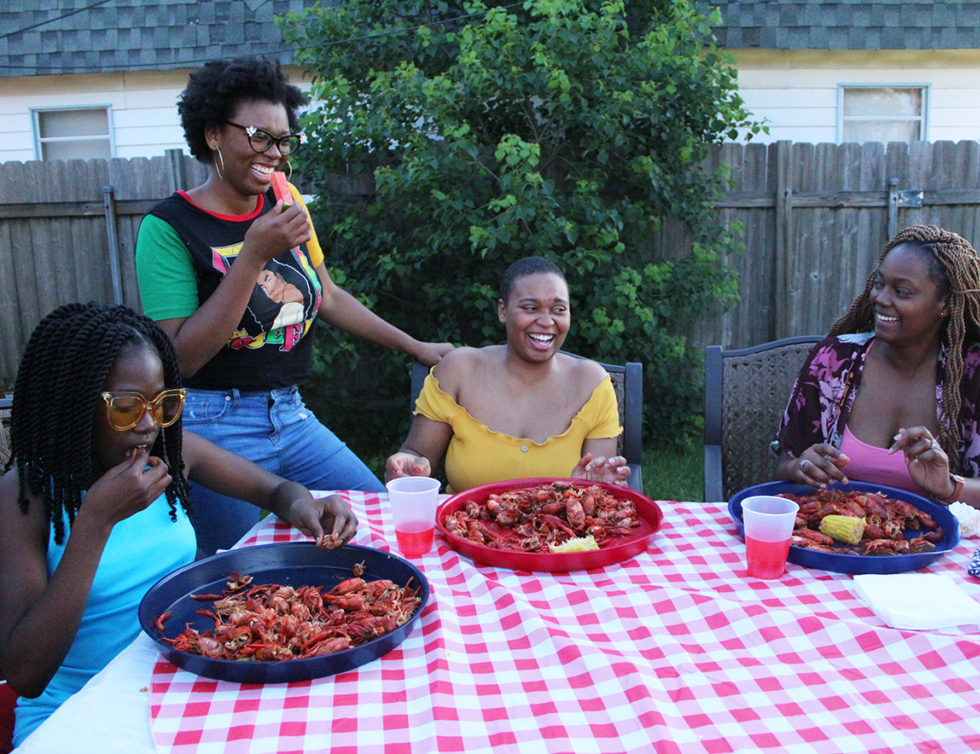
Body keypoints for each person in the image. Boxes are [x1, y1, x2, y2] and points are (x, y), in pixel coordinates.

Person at [0, 303, 358, 746]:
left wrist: (305, 504)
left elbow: (276, 491)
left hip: (174, 683)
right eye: (127, 407)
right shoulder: (26, 497)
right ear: (73, 404)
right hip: (76, 714)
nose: (149, 424)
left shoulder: (169, 455)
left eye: (162, 403)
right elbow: (25, 675)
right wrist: (94, 522)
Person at [134, 56, 452, 555]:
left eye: (284, 141)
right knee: (233, 567)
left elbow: (328, 296)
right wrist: (252, 256)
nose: (275, 154)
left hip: (290, 413)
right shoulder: (168, 228)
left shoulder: (287, 202)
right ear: (213, 134)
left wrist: (416, 346)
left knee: (375, 523)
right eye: (259, 136)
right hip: (210, 424)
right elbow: (179, 360)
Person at [774, 225, 980, 509]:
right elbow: (784, 466)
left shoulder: (978, 375)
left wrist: (949, 487)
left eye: (902, 291)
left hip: (939, 534)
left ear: (944, 303)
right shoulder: (833, 361)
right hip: (831, 532)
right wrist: (799, 467)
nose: (881, 298)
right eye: (879, 283)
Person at [385, 257, 631, 492]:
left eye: (558, 309)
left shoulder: (592, 384)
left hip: (562, 523)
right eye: (530, 308)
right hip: (461, 521)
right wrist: (406, 467)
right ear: (503, 311)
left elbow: (597, 484)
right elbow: (418, 454)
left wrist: (595, 488)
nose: (547, 321)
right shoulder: (458, 370)